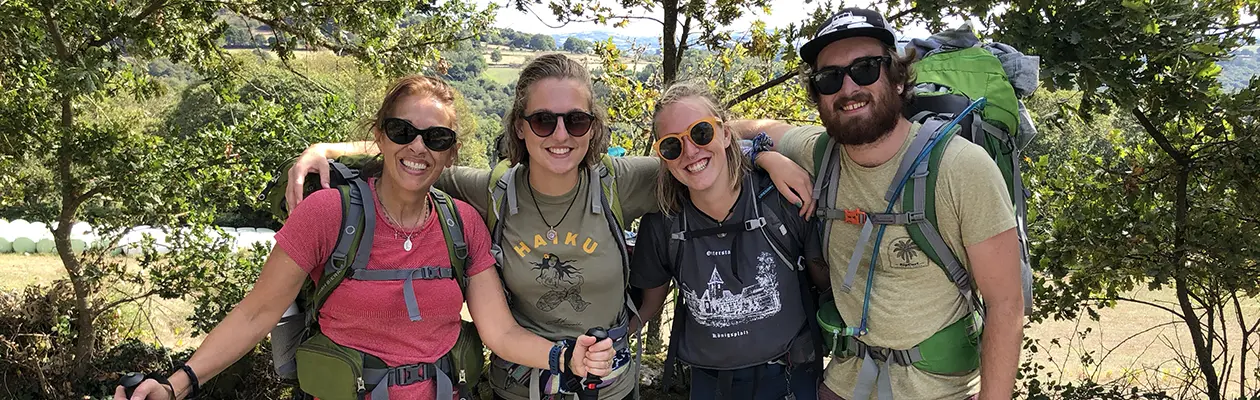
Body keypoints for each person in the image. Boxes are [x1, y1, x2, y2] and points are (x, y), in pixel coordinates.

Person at [284, 54, 816, 400]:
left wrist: (766, 153)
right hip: (520, 388)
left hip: (610, 388)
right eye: (544, 120)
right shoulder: (493, 191)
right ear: (522, 127)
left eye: (576, 121)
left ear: (592, 130)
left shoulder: (620, 182)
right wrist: (328, 150)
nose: (560, 134)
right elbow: (415, 153)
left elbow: (697, 147)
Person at [114, 75, 615, 400]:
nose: (418, 148)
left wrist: (564, 356)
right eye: (402, 131)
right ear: (379, 134)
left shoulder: (463, 222)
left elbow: (499, 333)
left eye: (436, 139)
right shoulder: (326, 214)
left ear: (450, 154)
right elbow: (255, 312)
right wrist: (176, 384)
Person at [728, 7, 1024, 400]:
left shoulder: (960, 168)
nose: (848, 88)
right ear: (818, 96)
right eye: (829, 78)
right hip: (845, 383)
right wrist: (763, 155)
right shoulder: (821, 154)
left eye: (866, 69)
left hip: (940, 391)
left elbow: (1006, 305)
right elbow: (729, 130)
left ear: (898, 79)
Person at [629, 82, 829, 400]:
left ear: (724, 133)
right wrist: (602, 345)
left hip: (791, 375)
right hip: (710, 382)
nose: (691, 151)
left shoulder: (780, 198)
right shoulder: (663, 221)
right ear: (663, 158)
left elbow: (825, 281)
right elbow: (648, 305)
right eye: (671, 146)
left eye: (701, 133)